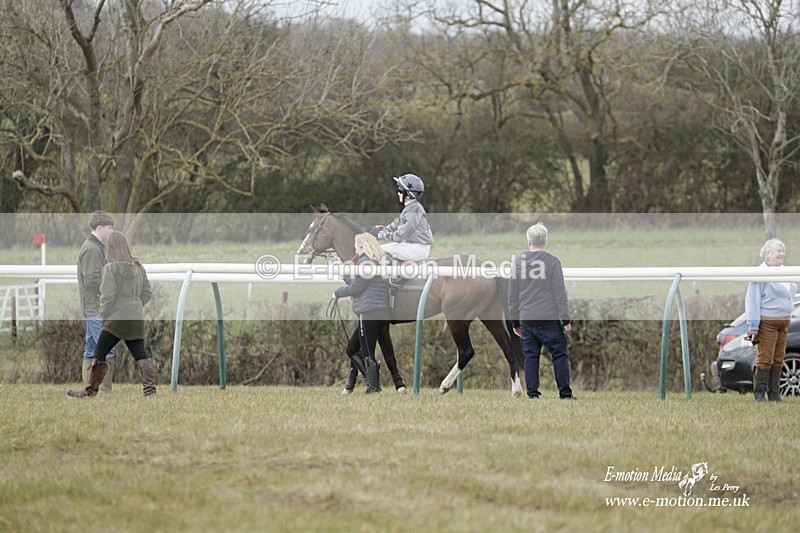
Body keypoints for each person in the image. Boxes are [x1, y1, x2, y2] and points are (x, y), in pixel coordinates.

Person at [68, 231, 156, 397]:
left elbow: (108, 297)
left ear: (110, 248)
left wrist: (104, 314)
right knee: (140, 354)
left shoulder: (109, 268)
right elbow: (147, 292)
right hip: (135, 316)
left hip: (116, 318)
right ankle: (150, 391)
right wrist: (135, 306)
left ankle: (90, 391)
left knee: (99, 353)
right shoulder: (138, 266)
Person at [508, 222, 575, 400]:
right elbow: (560, 293)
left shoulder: (518, 262)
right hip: (550, 319)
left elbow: (512, 295)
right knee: (559, 356)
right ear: (545, 241)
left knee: (531, 357)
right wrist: (566, 321)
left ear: (528, 240)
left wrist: (515, 322)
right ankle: (565, 394)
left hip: (527, 319)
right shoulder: (553, 262)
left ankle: (533, 394)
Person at [333, 232, 393, 394]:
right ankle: (372, 381)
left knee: (365, 352)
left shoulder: (365, 262)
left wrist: (337, 293)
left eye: (356, 247)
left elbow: (356, 287)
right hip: (378, 311)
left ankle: (373, 387)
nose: (355, 250)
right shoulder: (374, 262)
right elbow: (356, 281)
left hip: (369, 311)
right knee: (352, 349)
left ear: (362, 246)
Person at [745, 238, 796, 402]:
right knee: (765, 357)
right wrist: (753, 326)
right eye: (778, 251)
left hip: (784, 321)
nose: (782, 254)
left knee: (779, 358)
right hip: (767, 321)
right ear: (767, 254)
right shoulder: (760, 272)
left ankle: (774, 394)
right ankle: (759, 394)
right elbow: (752, 300)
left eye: (783, 251)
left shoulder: (785, 271)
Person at [77, 210, 117, 394]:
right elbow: (92, 280)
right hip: (95, 307)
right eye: (109, 228)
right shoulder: (92, 249)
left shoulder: (95, 247)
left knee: (91, 349)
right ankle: (104, 391)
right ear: (99, 228)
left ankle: (89, 389)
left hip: (93, 306)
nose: (111, 232)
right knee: (107, 349)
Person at [373, 174, 434, 262]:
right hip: (413, 246)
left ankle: (390, 275)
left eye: (400, 191)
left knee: (379, 250)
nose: (398, 193)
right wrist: (384, 231)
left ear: (408, 194)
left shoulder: (414, 209)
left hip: (417, 249)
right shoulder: (411, 207)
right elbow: (397, 223)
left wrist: (383, 235)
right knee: (382, 249)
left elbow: (400, 236)